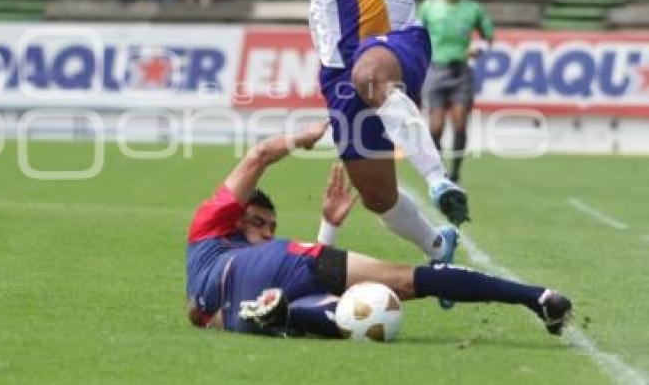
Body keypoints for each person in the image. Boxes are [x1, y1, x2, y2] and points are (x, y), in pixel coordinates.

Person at [233, 0, 562, 270]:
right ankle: (436, 245)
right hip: (338, 65)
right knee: (378, 196)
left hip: (400, 43)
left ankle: (439, 180)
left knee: (370, 75)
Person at [185, 122, 572, 338]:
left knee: (334, 314)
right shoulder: (211, 224)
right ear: (234, 218)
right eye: (258, 222)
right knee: (408, 280)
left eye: (272, 226)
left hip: (255, 292)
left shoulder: (206, 271)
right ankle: (538, 297)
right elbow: (259, 154)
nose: (267, 231)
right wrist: (298, 138)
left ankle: (284, 317)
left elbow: (201, 314)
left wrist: (329, 227)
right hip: (276, 269)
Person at [419, 0, 494, 183]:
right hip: (435, 70)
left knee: (460, 122)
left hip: (461, 71)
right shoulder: (428, 8)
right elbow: (417, 35)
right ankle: (438, 171)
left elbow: (488, 37)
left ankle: (456, 172)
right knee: (436, 126)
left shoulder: (473, 9)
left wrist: (478, 48)